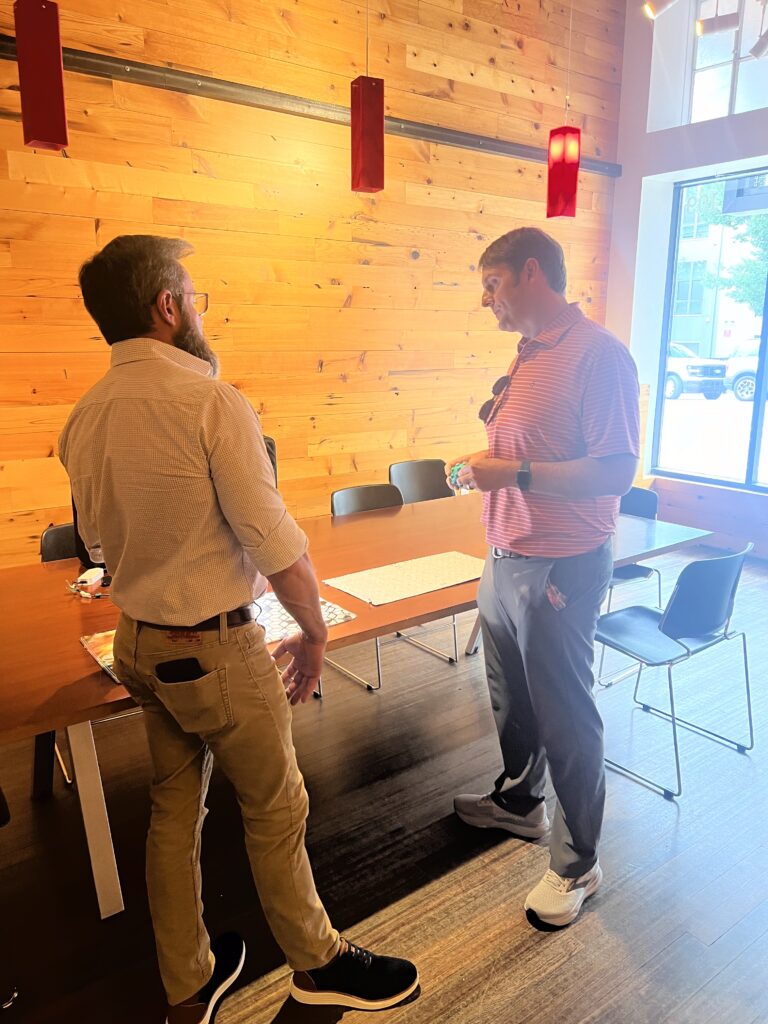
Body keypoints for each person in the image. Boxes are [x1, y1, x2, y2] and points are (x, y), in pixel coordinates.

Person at [59, 235, 418, 1023]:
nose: (197, 308)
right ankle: (318, 965)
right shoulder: (211, 403)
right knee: (277, 807)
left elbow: (96, 545)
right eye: (192, 295)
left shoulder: (83, 417)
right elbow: (275, 543)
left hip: (139, 645)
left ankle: (187, 987)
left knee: (172, 812)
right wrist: (314, 632)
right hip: (214, 650)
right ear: (166, 306)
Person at [448, 227, 640, 929]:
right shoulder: (530, 352)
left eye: (492, 284)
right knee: (512, 702)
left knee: (565, 715)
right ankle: (521, 801)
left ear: (531, 274)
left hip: (560, 564)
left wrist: (513, 472)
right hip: (504, 556)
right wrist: (490, 466)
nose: (485, 300)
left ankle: (579, 863)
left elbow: (616, 471)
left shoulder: (599, 355)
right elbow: (536, 448)